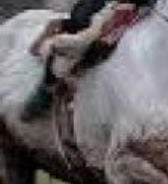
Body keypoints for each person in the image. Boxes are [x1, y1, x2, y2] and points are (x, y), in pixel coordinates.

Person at [22, 0, 156, 121]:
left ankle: (46, 90)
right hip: (107, 20)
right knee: (68, 43)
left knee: (71, 41)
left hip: (129, 22)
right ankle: (46, 90)